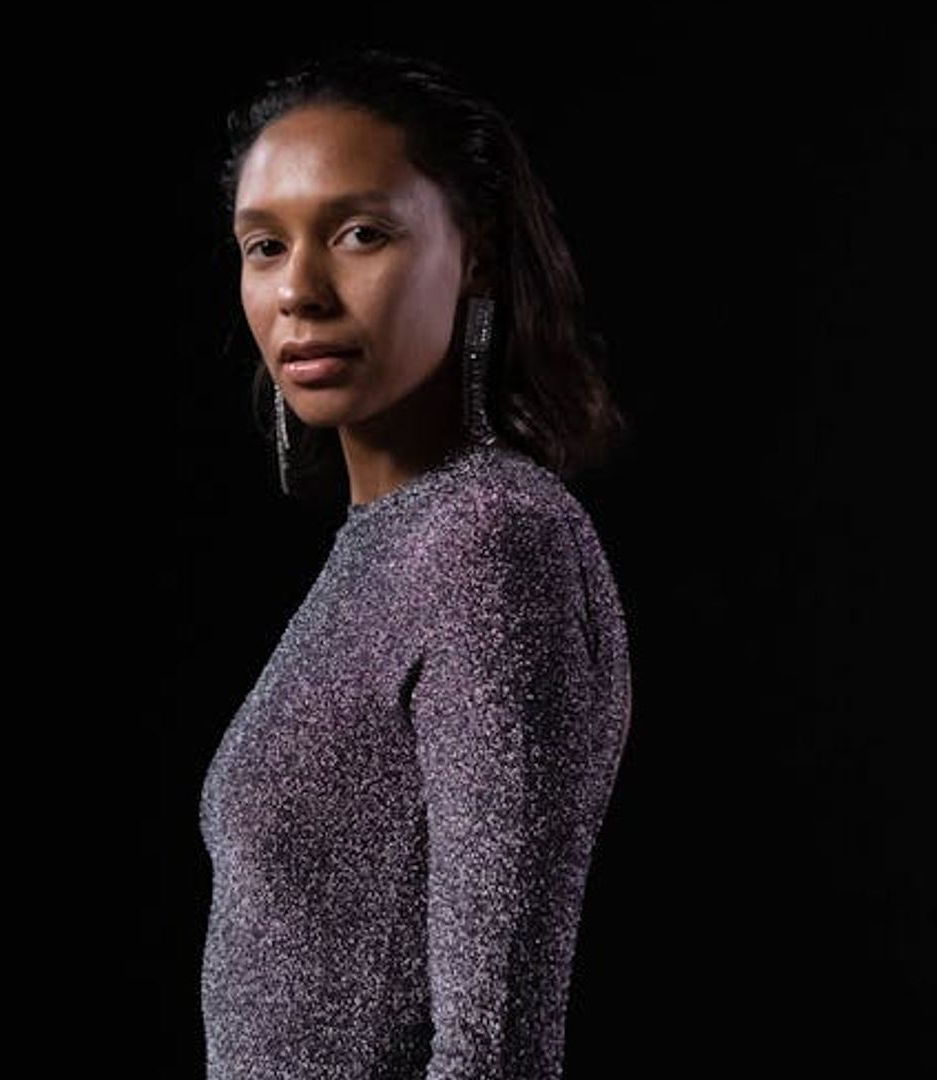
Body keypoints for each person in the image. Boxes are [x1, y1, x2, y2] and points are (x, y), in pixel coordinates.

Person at [198, 47, 634, 1080]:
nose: (299, 290)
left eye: (360, 234)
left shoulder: (490, 541)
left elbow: (494, 1051)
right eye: (264, 246)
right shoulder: (384, 546)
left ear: (476, 255)